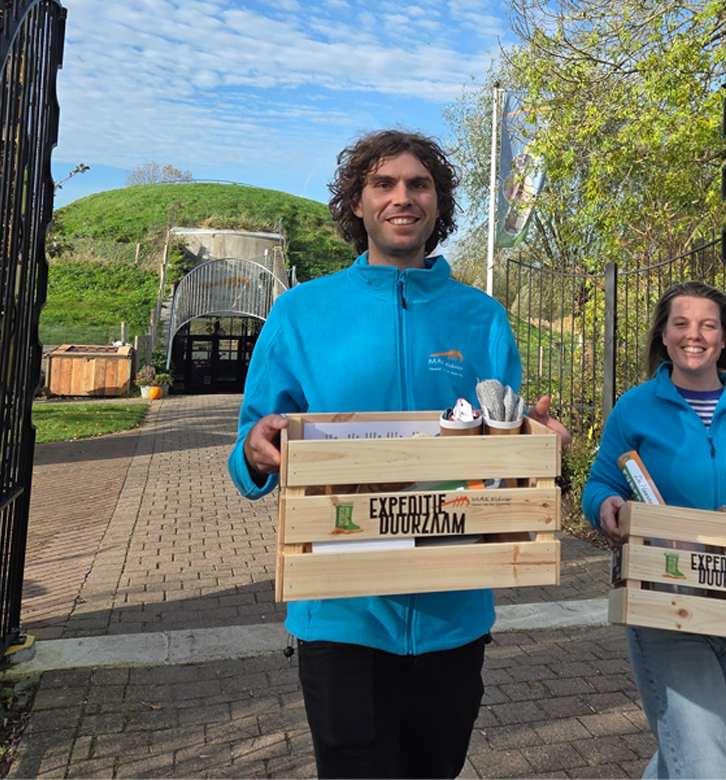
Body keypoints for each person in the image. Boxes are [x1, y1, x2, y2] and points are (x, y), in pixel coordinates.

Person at [228, 129, 567, 779]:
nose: (402, 197)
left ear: (439, 205)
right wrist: (255, 450)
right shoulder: (301, 313)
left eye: (419, 184)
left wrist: (536, 445)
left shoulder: (482, 318)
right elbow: (251, 444)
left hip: (454, 612)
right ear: (357, 203)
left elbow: (504, 439)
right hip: (340, 614)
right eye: (383, 184)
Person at [582, 280, 726, 780]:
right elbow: (603, 480)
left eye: (708, 325)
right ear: (664, 338)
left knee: (714, 746)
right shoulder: (635, 407)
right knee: (711, 761)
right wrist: (606, 505)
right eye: (682, 324)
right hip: (665, 598)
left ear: (723, 338)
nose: (695, 335)